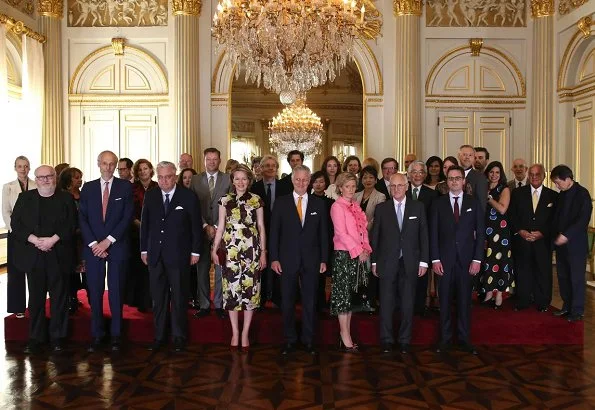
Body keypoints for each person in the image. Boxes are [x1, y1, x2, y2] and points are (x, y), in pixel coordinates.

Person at [11, 165, 76, 353]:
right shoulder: (25, 198)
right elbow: (17, 224)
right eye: (41, 177)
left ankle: (58, 337)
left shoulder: (66, 198)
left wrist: (52, 240)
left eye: (49, 176)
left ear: (55, 178)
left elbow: (71, 223)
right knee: (36, 299)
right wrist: (34, 240)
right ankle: (36, 337)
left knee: (59, 298)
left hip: (58, 254)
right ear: (36, 179)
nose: (45, 180)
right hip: (34, 255)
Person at [141, 161, 201, 352]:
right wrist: (144, 250)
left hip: (179, 256)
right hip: (155, 256)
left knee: (179, 297)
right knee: (158, 299)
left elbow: (195, 227)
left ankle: (178, 337)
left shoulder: (188, 196)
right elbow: (145, 225)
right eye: (160, 177)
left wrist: (195, 251)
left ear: (175, 177)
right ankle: (159, 337)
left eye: (168, 177)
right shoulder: (150, 196)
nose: (164, 181)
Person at [270, 165, 329, 355]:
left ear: (309, 180)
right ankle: (289, 340)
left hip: (312, 260)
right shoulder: (281, 202)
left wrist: (323, 259)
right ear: (292, 180)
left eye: (305, 180)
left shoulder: (319, 204)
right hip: (286, 260)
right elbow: (274, 233)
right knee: (287, 301)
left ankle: (308, 340)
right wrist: (274, 258)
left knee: (310, 302)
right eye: (298, 180)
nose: (301, 183)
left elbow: (323, 235)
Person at [79, 150, 134, 353]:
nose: (108, 167)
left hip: (116, 246)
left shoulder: (125, 187)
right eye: (105, 163)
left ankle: (117, 335)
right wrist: (95, 243)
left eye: (112, 164)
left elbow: (127, 217)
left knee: (116, 291)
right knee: (94, 292)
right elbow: (82, 218)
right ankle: (97, 334)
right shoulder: (89, 187)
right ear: (98, 164)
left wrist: (107, 242)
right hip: (93, 248)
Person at [371, 173, 429, 354]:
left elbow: (423, 236)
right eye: (393, 186)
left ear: (407, 186)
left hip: (410, 262)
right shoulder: (381, 208)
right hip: (387, 262)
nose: (396, 189)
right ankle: (387, 339)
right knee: (386, 303)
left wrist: (424, 261)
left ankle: (404, 340)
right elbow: (376, 238)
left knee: (407, 302)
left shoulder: (418, 207)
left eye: (399, 185)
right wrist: (374, 262)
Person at [211, 164, 267, 351]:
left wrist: (263, 252)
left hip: (252, 251)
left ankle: (245, 333)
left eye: (244, 179)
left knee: (251, 292)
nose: (241, 182)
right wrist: (214, 249)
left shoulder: (256, 200)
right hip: (230, 252)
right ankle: (235, 332)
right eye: (237, 179)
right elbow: (220, 227)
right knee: (232, 292)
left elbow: (261, 227)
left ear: (249, 181)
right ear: (232, 181)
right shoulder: (224, 200)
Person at [431, 165, 485, 355]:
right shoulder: (438, 204)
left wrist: (477, 259)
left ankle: (464, 339)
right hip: (444, 262)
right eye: (451, 178)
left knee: (464, 302)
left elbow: (480, 234)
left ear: (463, 181)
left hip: (467, 261)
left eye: (457, 178)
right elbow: (433, 234)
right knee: (444, 302)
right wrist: (435, 259)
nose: (454, 181)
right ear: (447, 181)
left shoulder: (474, 203)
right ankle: (445, 340)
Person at [330, 172, 372, 352]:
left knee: (351, 297)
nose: (350, 190)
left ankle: (345, 333)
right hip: (344, 255)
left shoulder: (355, 206)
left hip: (358, 254)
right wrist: (357, 250)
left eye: (353, 186)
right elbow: (341, 234)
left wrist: (366, 248)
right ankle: (344, 334)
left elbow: (363, 230)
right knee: (343, 297)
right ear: (340, 188)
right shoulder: (337, 206)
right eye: (347, 186)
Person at [509, 164, 557, 312]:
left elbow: (554, 220)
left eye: (538, 174)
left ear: (543, 176)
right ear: (528, 176)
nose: (534, 177)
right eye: (532, 174)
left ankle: (542, 302)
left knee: (543, 272)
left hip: (542, 241)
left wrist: (542, 232)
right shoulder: (517, 193)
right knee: (522, 271)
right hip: (522, 240)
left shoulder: (553, 196)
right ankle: (522, 300)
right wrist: (521, 231)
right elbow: (512, 215)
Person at [190, 148, 230, 319]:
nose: (212, 162)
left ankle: (220, 304)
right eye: (209, 159)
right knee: (203, 268)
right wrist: (206, 225)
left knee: (221, 269)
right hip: (201, 230)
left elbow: (230, 205)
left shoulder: (228, 179)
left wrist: (217, 226)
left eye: (215, 159)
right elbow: (192, 206)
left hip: (222, 230)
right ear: (204, 160)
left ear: (220, 160)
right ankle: (205, 304)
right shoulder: (195, 180)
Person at [550, 165, 593, 322]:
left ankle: (577, 310)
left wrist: (566, 235)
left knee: (576, 278)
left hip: (575, 246)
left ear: (567, 179)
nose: (557, 185)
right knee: (563, 277)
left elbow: (583, 220)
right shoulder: (561, 195)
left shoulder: (582, 194)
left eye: (558, 182)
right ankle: (567, 306)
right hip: (561, 245)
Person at [251, 155, 292, 307]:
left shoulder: (285, 187)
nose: (269, 168)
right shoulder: (254, 188)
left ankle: (277, 297)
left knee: (278, 264)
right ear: (260, 169)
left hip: (281, 232)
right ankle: (260, 299)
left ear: (277, 169)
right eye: (266, 165)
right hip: (259, 232)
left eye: (272, 166)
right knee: (260, 266)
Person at [2, 155, 37, 318]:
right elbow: (6, 211)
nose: (23, 169)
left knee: (34, 269)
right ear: (15, 168)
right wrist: (15, 230)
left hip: (34, 234)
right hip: (15, 234)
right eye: (20, 166)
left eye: (26, 166)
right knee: (15, 271)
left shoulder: (37, 185)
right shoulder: (7, 187)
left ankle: (36, 303)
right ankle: (18, 307)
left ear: (29, 168)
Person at [478, 161, 514, 309]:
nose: (494, 175)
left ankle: (499, 294)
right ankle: (487, 293)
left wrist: (489, 198)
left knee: (499, 263)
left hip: (500, 232)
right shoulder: (483, 187)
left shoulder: (504, 189)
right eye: (491, 172)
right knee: (487, 261)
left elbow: (502, 209)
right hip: (484, 230)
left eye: (497, 172)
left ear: (501, 174)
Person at [406, 161, 438, 315]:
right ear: (409, 174)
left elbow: (434, 220)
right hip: (404, 242)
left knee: (422, 276)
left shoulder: (432, 195)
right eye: (414, 172)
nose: (417, 175)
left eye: (420, 172)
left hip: (423, 241)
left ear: (425, 175)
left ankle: (421, 306)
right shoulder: (401, 192)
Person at [126, 159, 158, 312]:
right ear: (136, 173)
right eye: (140, 170)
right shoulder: (131, 189)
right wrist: (140, 224)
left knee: (153, 268)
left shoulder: (158, 186)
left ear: (151, 170)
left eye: (146, 168)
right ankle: (140, 301)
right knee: (139, 269)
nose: (143, 171)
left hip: (156, 234)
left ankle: (154, 300)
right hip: (135, 233)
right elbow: (128, 211)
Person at [354, 165, 386, 312]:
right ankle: (357, 300)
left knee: (370, 270)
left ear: (375, 179)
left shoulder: (381, 196)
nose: (368, 180)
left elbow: (377, 219)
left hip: (371, 238)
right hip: (355, 240)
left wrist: (362, 228)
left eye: (371, 177)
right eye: (365, 177)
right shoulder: (355, 195)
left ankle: (370, 301)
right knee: (357, 270)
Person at [58, 167, 86, 314]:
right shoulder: (61, 196)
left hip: (85, 239)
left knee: (87, 270)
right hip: (69, 239)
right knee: (70, 271)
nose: (80, 180)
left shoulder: (84, 194)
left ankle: (91, 297)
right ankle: (71, 299)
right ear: (68, 180)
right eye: (76, 177)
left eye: (80, 177)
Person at [309, 170, 335, 310]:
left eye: (321, 181)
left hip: (328, 241)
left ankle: (326, 303)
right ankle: (314, 303)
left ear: (326, 183)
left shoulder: (332, 203)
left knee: (326, 274)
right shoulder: (307, 200)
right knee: (314, 275)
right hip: (312, 243)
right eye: (316, 181)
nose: (318, 184)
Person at [459, 145, 488, 211]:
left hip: (471, 219)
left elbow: (481, 205)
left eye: (470, 155)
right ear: (459, 156)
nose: (467, 157)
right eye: (464, 154)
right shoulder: (453, 174)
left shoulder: (480, 177)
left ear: (474, 158)